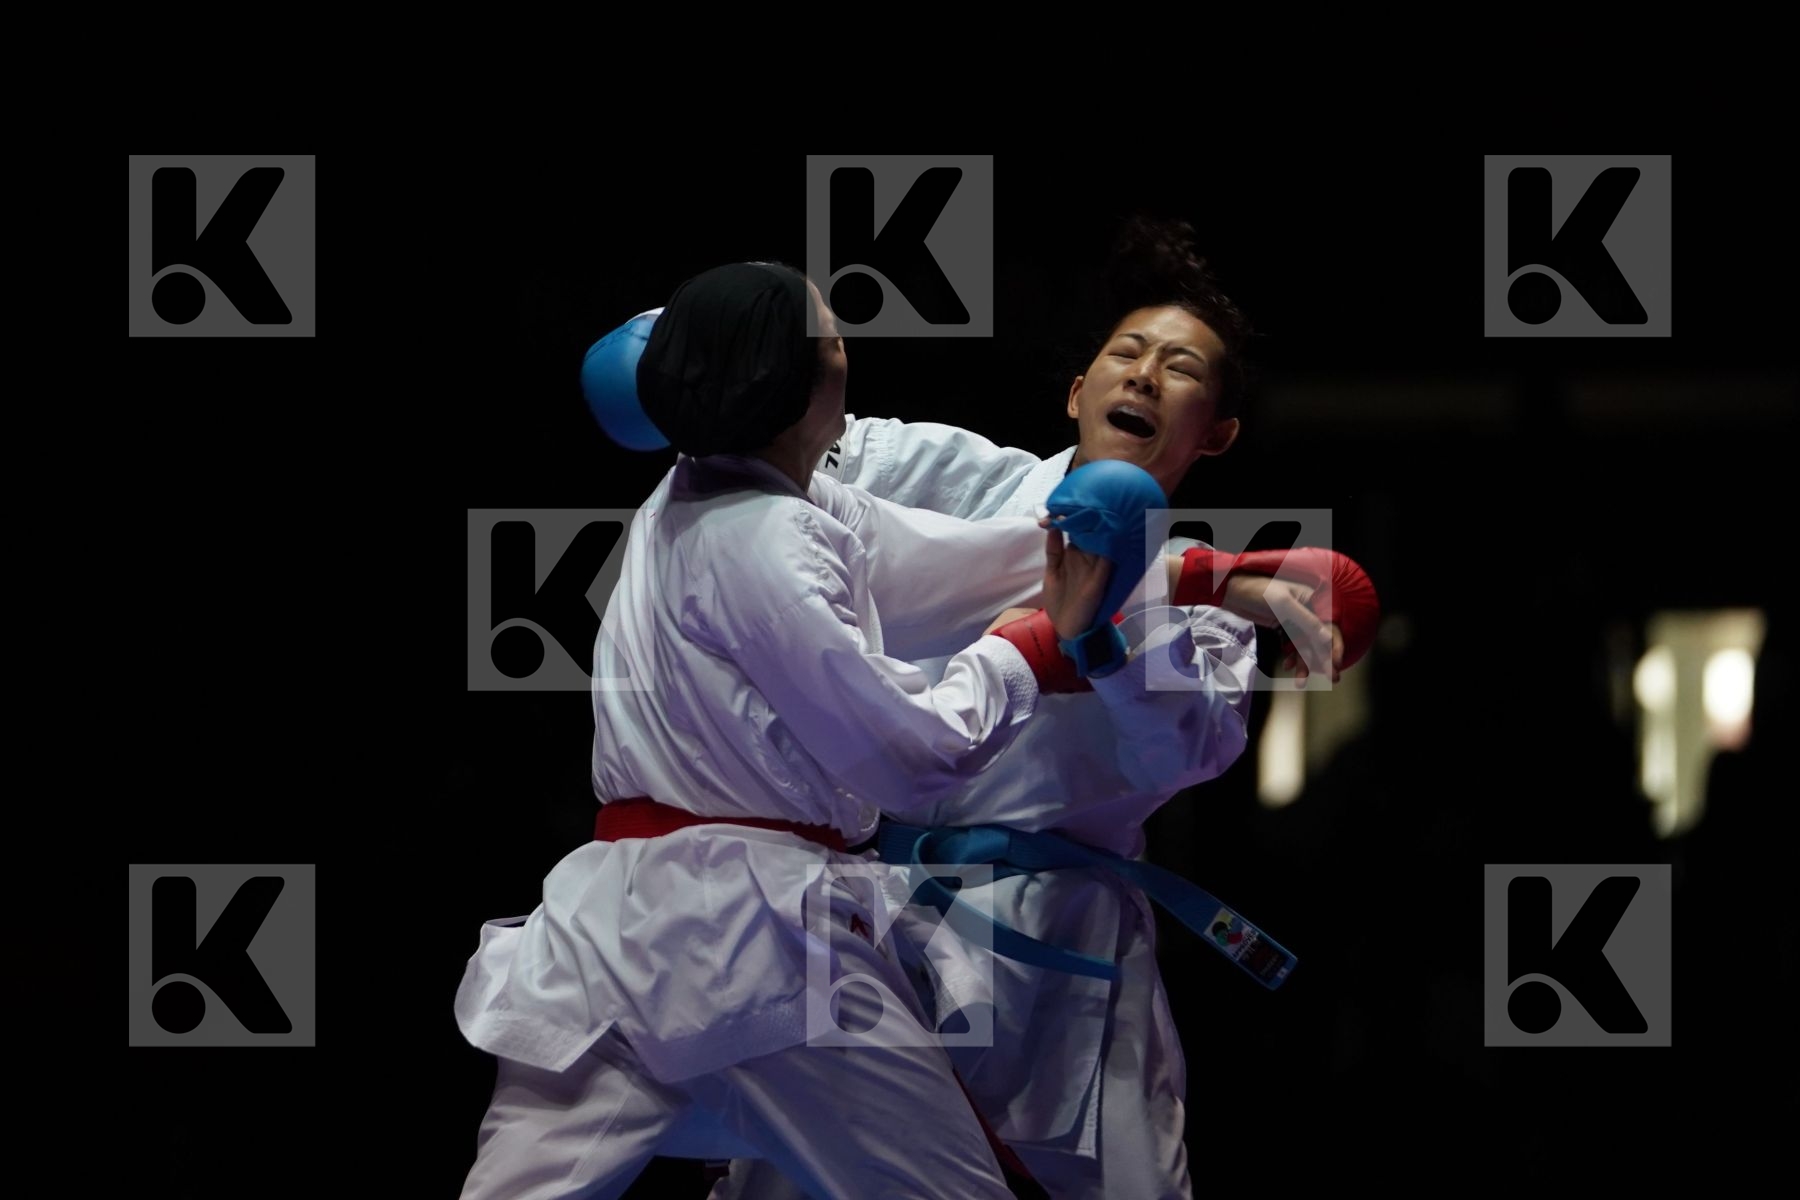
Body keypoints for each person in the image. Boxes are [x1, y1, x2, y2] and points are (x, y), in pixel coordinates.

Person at [454, 260, 1189, 1199]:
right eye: (836, 338)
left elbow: (945, 567)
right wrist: (1031, 654)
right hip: (758, 942)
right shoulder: (766, 540)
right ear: (798, 383)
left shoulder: (722, 498)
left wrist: (1193, 571)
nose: (851, 353)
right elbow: (908, 757)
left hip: (613, 933)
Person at [713, 217, 1379, 1199]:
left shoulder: (1214, 619)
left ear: (1219, 431)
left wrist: (1101, 638)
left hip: (1059, 942)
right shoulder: (955, 477)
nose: (1145, 375)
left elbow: (1177, 753)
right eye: (1127, 353)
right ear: (1079, 391)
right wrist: (720, 352)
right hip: (876, 912)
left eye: (1181, 366)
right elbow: (804, 447)